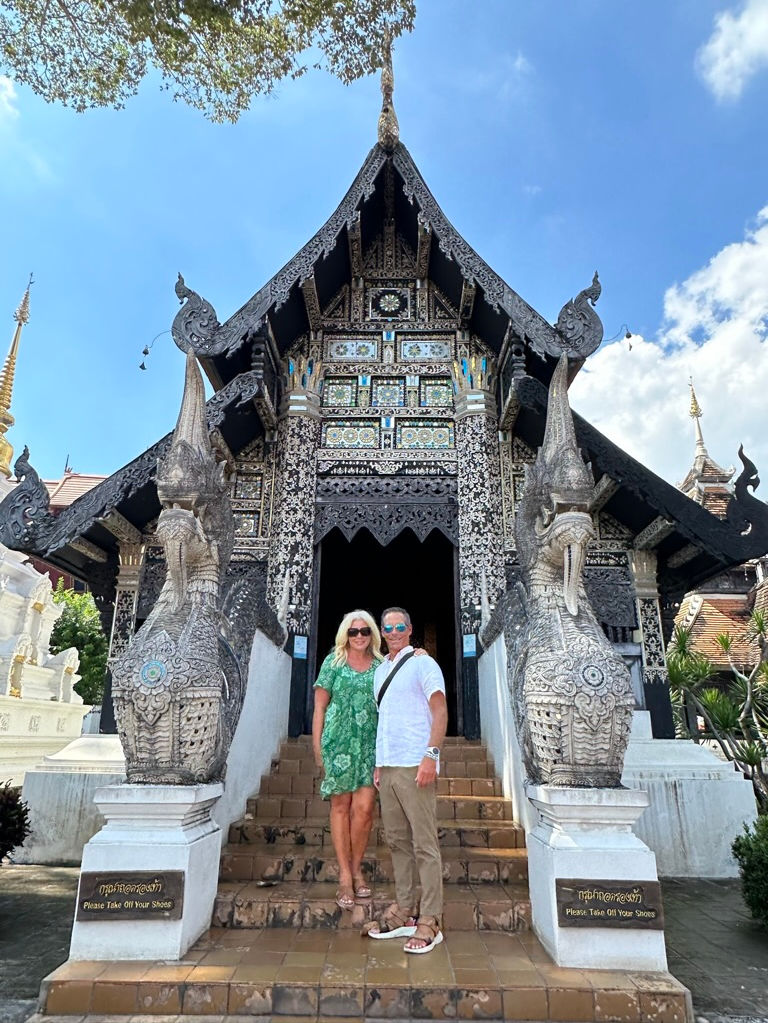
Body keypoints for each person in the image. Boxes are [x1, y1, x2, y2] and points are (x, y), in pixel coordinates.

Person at [364, 606, 448, 954]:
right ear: (381, 633)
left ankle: (430, 918)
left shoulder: (423, 664)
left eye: (401, 626)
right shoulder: (379, 671)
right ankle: (404, 909)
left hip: (416, 764)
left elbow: (440, 709)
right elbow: (385, 719)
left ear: (410, 629)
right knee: (397, 842)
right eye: (388, 627)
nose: (395, 632)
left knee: (424, 844)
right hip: (389, 767)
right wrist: (379, 764)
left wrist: (431, 755)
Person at [312, 609, 382, 911]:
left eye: (364, 631)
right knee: (341, 807)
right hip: (338, 742)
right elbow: (320, 708)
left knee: (364, 810)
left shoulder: (382, 664)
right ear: (345, 635)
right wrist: (317, 748)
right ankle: (345, 874)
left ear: (372, 635)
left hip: (370, 744)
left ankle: (356, 867)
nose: (359, 637)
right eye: (353, 632)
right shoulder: (333, 662)